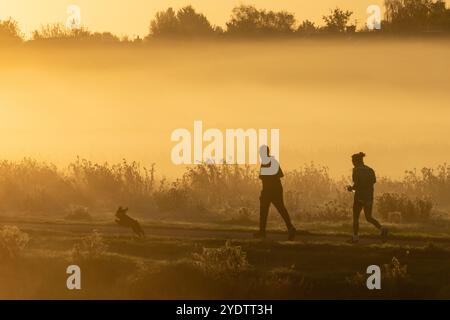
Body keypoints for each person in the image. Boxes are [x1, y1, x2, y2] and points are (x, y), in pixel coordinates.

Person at [254, 145, 297, 240]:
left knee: (264, 211)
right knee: (281, 209)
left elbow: (262, 178)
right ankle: (290, 228)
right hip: (276, 189)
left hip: (268, 190)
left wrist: (264, 192)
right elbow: (280, 175)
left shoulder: (265, 163)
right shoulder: (273, 161)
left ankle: (262, 232)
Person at [347, 152, 388, 243]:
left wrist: (351, 188)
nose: (352, 163)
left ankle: (355, 237)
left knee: (356, 217)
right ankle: (382, 229)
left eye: (353, 161)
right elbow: (373, 182)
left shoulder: (356, 170)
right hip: (369, 197)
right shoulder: (370, 170)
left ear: (356, 161)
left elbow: (357, 184)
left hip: (359, 197)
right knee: (369, 217)